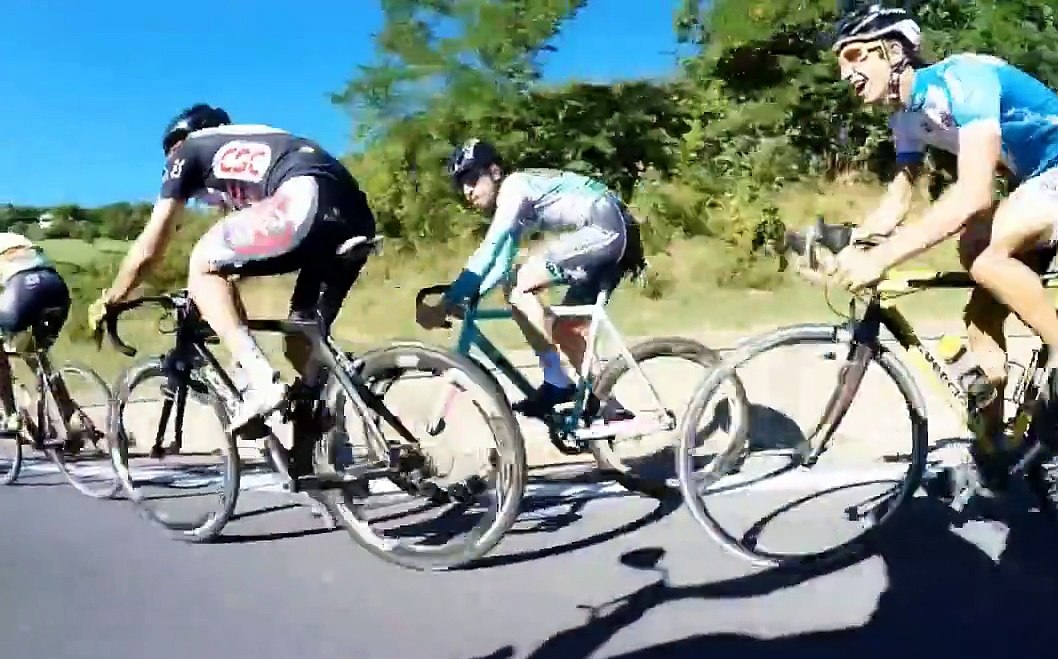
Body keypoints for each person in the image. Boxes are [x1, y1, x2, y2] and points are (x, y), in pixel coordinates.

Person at [821, 2, 1058, 447]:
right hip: (1034, 181)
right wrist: (855, 243)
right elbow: (896, 203)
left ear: (892, 49)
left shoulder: (963, 79)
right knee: (979, 317)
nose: (846, 73)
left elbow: (975, 193)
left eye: (855, 55)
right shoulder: (904, 118)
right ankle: (993, 445)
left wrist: (884, 256)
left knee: (985, 258)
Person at [89, 104, 377, 433]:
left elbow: (150, 246)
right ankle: (336, 438)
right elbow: (249, 255)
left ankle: (261, 382)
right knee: (303, 338)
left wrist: (113, 297)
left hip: (303, 195)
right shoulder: (253, 145)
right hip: (354, 212)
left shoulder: (189, 149)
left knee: (201, 264)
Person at [420, 139, 645, 419]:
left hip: (604, 227)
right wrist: (471, 294)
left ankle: (556, 381)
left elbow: (491, 248)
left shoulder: (515, 188)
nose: (467, 190)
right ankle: (609, 405)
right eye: (460, 185)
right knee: (565, 330)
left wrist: (449, 299)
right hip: (610, 230)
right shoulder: (520, 203)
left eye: (472, 178)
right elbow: (501, 261)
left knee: (520, 282)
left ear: (494, 172)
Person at [0, 231, 73, 436]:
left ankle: (11, 414)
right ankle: (71, 414)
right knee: (34, 351)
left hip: (23, 289)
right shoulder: (13, 237)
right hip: (54, 286)